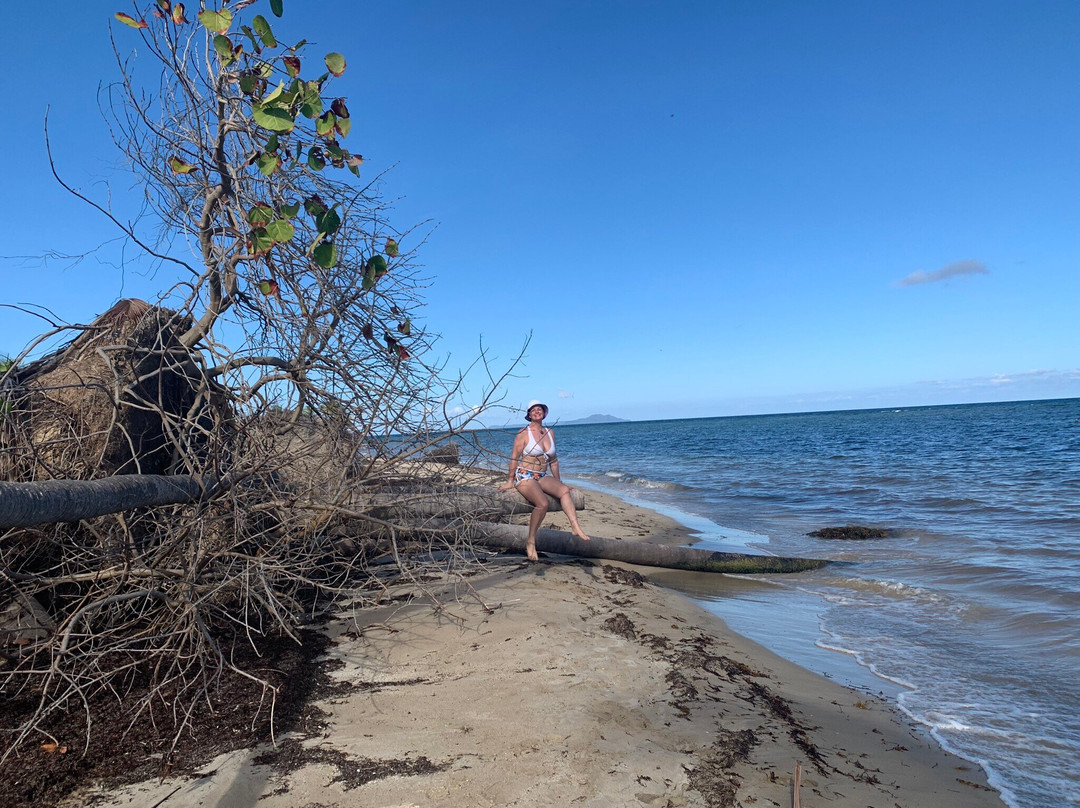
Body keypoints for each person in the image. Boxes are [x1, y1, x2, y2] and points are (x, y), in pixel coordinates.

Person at [498, 399, 590, 561]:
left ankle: (575, 527)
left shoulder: (550, 432)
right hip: (525, 475)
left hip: (541, 475)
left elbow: (553, 461)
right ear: (529, 415)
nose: (537, 411)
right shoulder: (523, 433)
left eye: (539, 409)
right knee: (542, 504)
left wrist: (558, 481)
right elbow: (514, 458)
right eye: (533, 410)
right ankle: (531, 541)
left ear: (544, 413)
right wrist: (510, 480)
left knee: (564, 491)